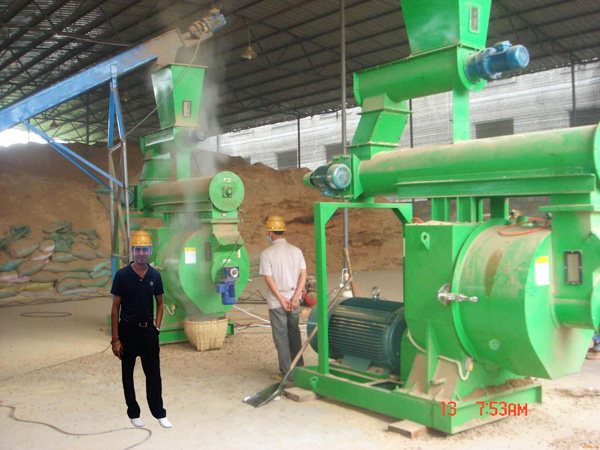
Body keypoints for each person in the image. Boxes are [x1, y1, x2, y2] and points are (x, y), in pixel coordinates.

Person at [110, 230, 172, 429]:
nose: (142, 253)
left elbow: (160, 304)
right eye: (138, 249)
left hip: (148, 333)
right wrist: (115, 339)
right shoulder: (122, 276)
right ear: (133, 251)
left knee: (153, 374)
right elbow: (115, 308)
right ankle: (133, 413)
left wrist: (157, 328)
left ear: (150, 251)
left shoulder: (155, 276)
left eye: (145, 249)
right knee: (127, 374)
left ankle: (159, 413)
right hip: (127, 331)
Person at [259, 216, 308, 381]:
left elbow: (269, 279)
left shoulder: (267, 253)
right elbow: (303, 274)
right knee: (294, 333)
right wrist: (296, 297)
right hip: (294, 300)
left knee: (281, 337)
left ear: (271, 233)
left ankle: (287, 374)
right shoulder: (296, 251)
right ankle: (299, 369)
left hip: (277, 302)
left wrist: (281, 299)